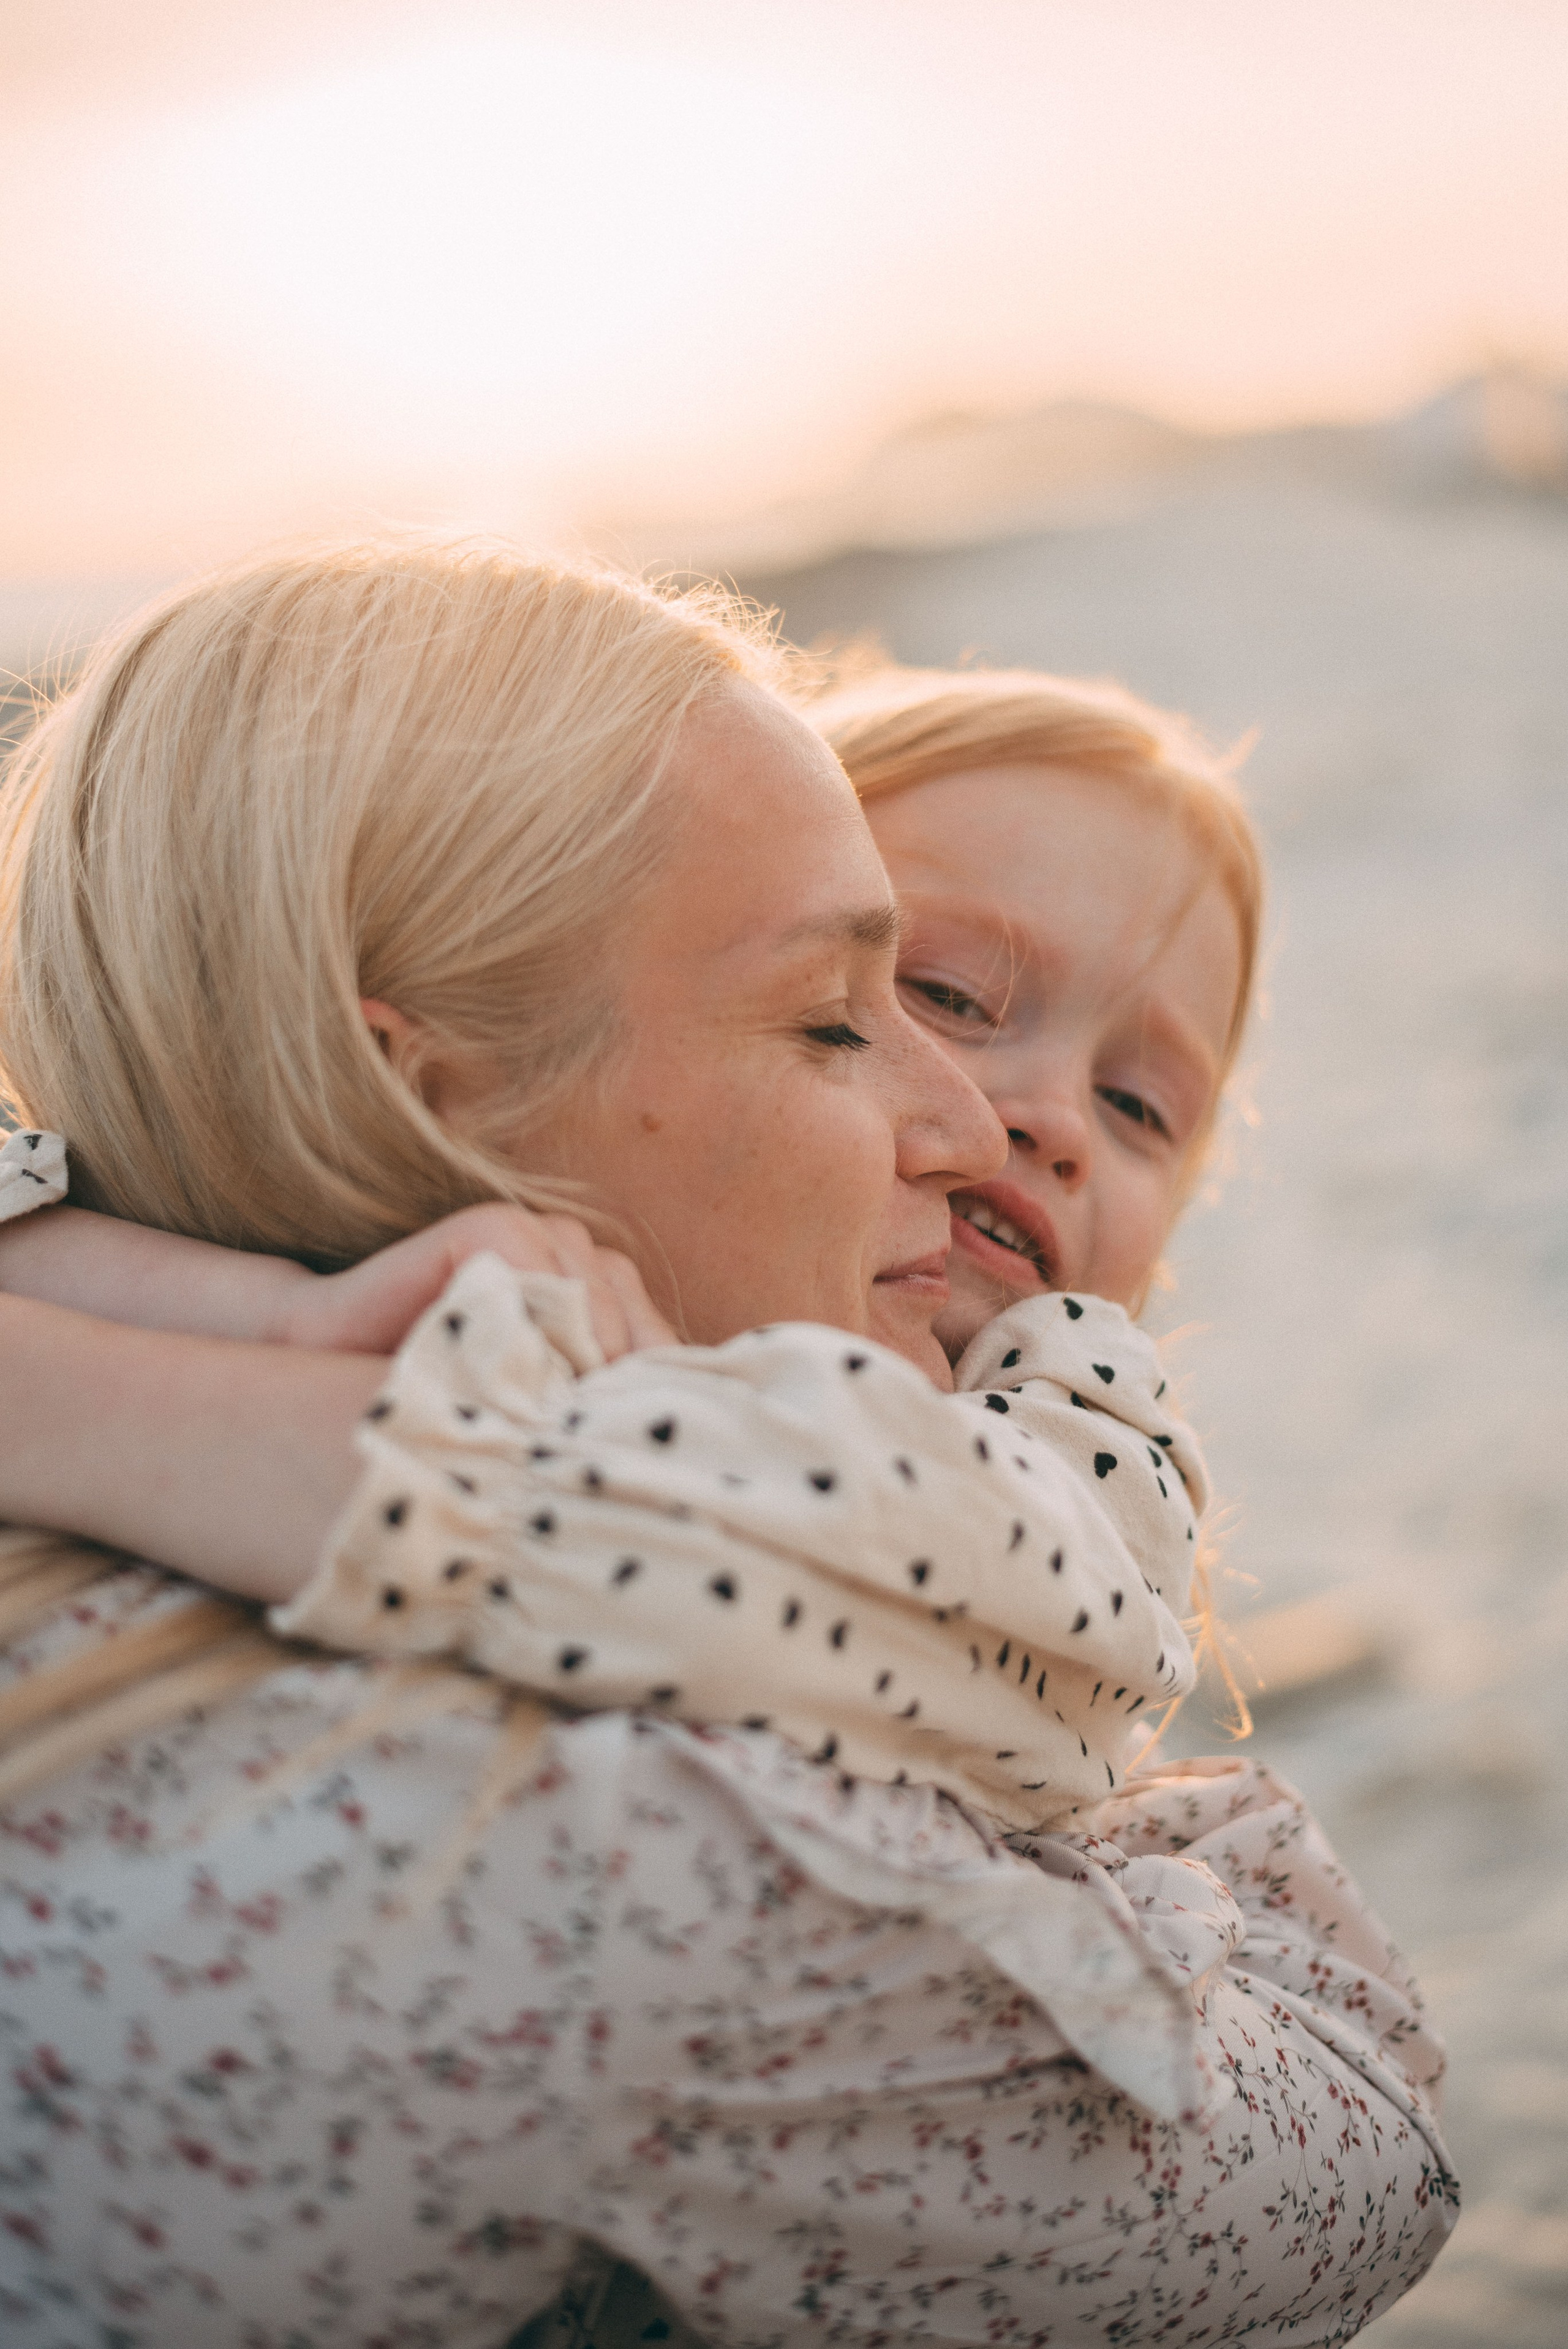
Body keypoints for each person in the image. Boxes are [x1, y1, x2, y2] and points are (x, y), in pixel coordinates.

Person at [0, 541, 1455, 2347]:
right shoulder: (588, 1841)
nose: (998, 1125)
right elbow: (1370, 2144)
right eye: (872, 1006)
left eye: (1143, 1101)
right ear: (427, 1083)